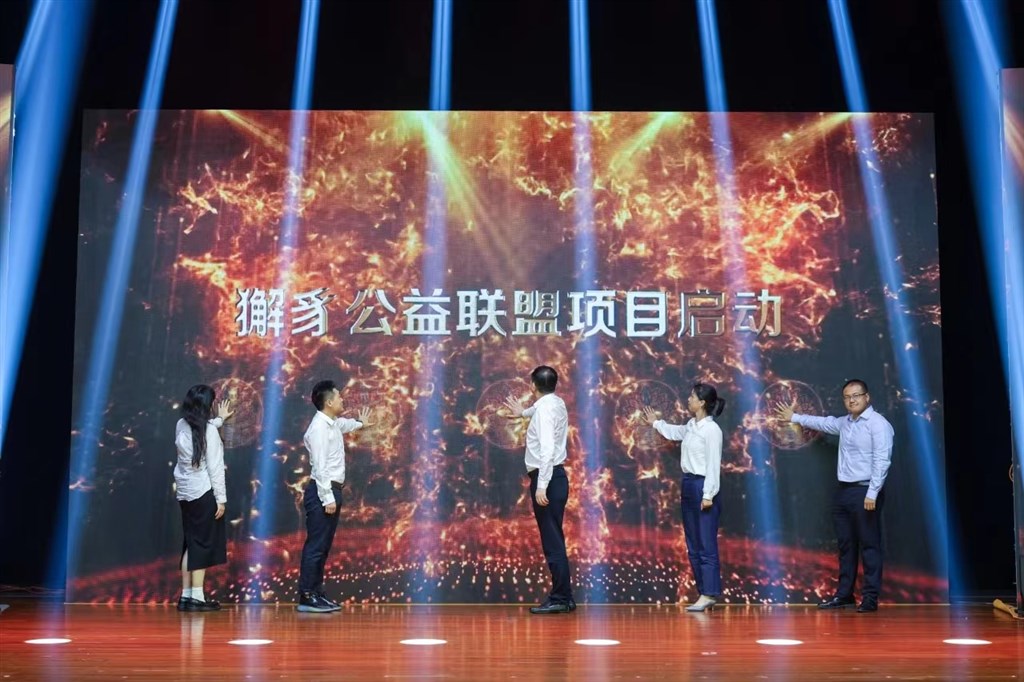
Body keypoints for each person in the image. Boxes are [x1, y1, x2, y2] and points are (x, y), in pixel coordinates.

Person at [775, 379, 894, 613]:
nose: (852, 400)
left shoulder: (878, 424)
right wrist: (794, 417)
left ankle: (870, 598)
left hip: (866, 491)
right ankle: (844, 595)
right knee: (846, 546)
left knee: (869, 545)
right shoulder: (845, 423)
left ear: (867, 397)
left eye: (856, 395)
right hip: (844, 492)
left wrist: (872, 492)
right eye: (847, 397)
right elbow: (824, 423)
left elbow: (882, 460)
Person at [643, 382, 725, 613]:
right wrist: (656, 423)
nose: (688, 400)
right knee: (693, 544)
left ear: (702, 403)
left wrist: (708, 495)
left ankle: (709, 593)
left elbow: (713, 465)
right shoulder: (691, 425)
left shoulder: (712, 430)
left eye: (692, 397)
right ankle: (704, 592)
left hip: (703, 487)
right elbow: (675, 432)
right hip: (688, 484)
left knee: (706, 543)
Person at [504, 366, 575, 614]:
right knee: (555, 538)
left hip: (548, 478)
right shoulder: (556, 403)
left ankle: (560, 598)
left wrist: (542, 485)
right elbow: (537, 409)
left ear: (533, 385)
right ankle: (564, 597)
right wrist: (522, 413)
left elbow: (546, 449)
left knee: (552, 542)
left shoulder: (545, 409)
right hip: (556, 477)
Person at [297, 380, 372, 613]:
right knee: (316, 546)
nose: (342, 399)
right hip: (324, 491)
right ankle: (307, 595)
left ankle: (317, 592)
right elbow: (319, 468)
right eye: (339, 396)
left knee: (323, 546)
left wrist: (360, 423)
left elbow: (344, 424)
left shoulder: (331, 424)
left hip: (332, 490)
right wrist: (327, 497)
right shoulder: (319, 429)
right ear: (329, 402)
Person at [174, 384, 234, 612]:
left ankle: (186, 595)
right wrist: (221, 499)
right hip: (203, 492)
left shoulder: (181, 425)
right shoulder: (208, 432)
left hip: (185, 493)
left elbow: (202, 429)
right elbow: (216, 469)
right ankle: (197, 597)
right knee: (200, 545)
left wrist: (219, 420)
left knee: (191, 543)